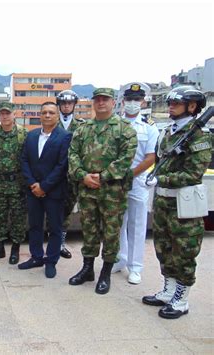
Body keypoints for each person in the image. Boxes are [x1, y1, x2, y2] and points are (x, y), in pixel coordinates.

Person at [142, 86, 210, 319]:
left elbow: (193, 174)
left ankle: (181, 298)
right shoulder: (168, 132)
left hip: (184, 205)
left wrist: (162, 178)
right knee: (164, 248)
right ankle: (169, 289)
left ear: (192, 107)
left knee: (184, 252)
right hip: (164, 201)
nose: (171, 107)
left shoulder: (200, 136)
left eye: (176, 103)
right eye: (170, 103)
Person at [68, 88, 137, 294]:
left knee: (111, 231)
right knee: (89, 229)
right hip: (87, 188)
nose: (101, 103)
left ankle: (105, 273)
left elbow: (127, 158)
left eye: (105, 100)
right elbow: (73, 154)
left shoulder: (125, 129)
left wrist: (103, 175)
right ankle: (87, 268)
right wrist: (83, 175)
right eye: (97, 100)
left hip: (112, 191)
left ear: (113, 103)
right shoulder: (83, 129)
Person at [112, 84, 159, 285]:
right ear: (123, 102)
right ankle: (121, 259)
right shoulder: (116, 124)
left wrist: (130, 174)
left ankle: (136, 267)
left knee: (138, 224)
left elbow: (150, 157)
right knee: (118, 223)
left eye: (136, 100)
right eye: (129, 100)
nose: (132, 104)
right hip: (116, 181)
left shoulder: (150, 126)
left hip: (138, 181)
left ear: (143, 102)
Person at [19, 101, 72, 278]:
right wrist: (33, 184)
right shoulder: (32, 135)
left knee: (55, 228)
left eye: (51, 112)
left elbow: (62, 165)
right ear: (39, 116)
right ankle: (36, 257)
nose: (47, 115)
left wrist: (44, 186)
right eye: (44, 113)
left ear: (57, 116)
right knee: (34, 225)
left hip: (54, 191)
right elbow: (24, 160)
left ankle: (51, 261)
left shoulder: (65, 137)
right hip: (33, 190)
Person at [0, 102, 27, 265]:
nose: (4, 116)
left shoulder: (23, 134)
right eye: (2, 113)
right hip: (0, 184)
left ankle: (15, 249)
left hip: (18, 184)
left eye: (7, 113)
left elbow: (28, 158)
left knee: (18, 219)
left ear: (14, 114)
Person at [55, 89, 85, 259]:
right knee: (52, 211)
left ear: (74, 105)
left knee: (66, 211)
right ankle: (52, 243)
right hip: (54, 177)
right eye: (63, 103)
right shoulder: (51, 123)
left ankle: (61, 244)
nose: (66, 106)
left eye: (69, 103)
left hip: (73, 177)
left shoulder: (82, 126)